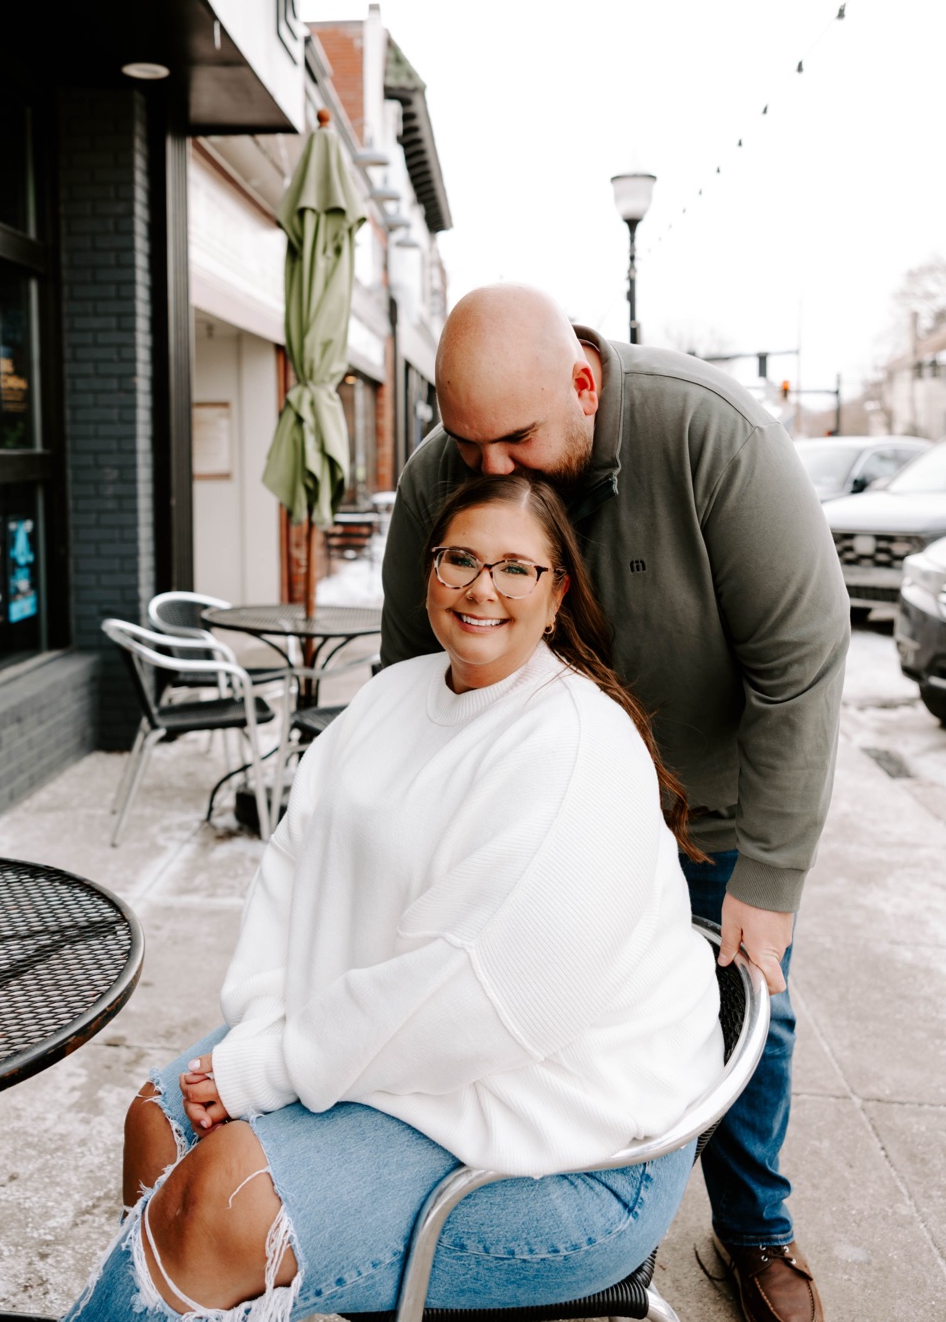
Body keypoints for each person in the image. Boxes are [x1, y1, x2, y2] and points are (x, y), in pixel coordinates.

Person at [68, 474, 724, 1321]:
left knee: (218, 1206)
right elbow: (292, 876)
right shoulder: (389, 697)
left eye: (516, 567)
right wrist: (265, 1028)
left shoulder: (575, 746)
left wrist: (266, 1070)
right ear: (429, 570)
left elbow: (473, 995)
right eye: (461, 559)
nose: (482, 587)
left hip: (571, 1140)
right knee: (156, 1120)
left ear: (558, 592)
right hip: (408, 1058)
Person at [378, 285, 846, 1322]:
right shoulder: (441, 472)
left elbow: (799, 665)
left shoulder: (711, 435)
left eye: (513, 438)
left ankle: (752, 1230)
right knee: (546, 1017)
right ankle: (556, 1224)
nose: (487, 467)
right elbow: (407, 676)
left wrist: (767, 877)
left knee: (743, 1026)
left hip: (709, 816)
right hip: (541, 821)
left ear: (583, 384)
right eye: (466, 444)